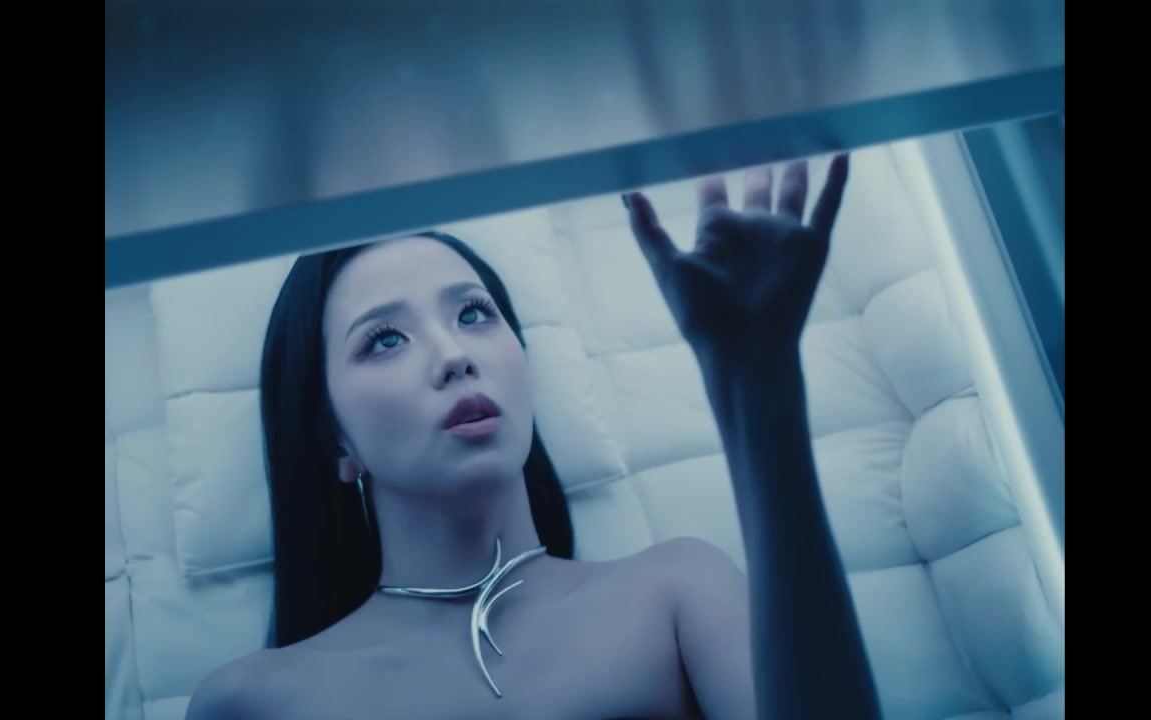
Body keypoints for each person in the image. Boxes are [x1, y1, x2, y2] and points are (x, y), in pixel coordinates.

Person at [185, 156, 881, 720]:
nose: (455, 355)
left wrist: (758, 379)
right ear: (335, 440)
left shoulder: (675, 593)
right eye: (386, 338)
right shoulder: (251, 702)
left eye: (473, 313)